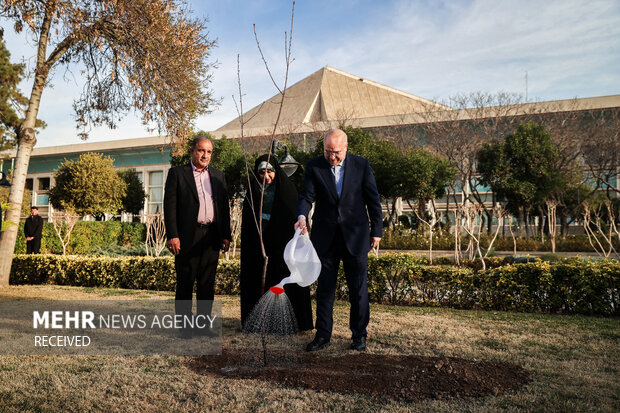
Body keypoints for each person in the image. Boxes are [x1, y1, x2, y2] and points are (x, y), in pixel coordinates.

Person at [295, 129, 382, 351]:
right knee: (325, 289)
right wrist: (302, 216)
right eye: (327, 152)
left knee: (358, 290)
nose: (332, 157)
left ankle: (359, 335)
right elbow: (306, 196)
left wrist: (377, 231)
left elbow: (373, 200)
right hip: (326, 238)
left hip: (356, 237)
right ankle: (323, 335)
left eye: (336, 152)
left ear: (345, 147)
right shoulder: (314, 166)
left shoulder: (361, 165)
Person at [164, 135, 231, 339]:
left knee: (206, 283)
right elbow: (170, 207)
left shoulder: (218, 176)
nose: (205, 155)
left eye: (209, 152)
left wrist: (226, 234)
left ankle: (203, 326)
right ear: (192, 151)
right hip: (186, 237)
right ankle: (184, 327)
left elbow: (224, 208)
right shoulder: (178, 173)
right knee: (185, 282)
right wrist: (173, 235)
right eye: (202, 150)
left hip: (211, 236)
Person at [240, 154, 313, 331]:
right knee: (258, 279)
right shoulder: (253, 192)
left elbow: (296, 214)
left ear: (276, 171)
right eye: (262, 172)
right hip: (259, 245)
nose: (266, 176)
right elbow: (248, 221)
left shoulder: (287, 190)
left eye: (270, 171)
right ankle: (261, 322)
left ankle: (290, 322)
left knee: (285, 279)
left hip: (282, 244)